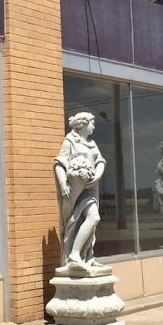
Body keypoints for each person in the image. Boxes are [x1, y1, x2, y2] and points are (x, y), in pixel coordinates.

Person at [54, 112, 107, 272]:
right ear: (83, 124)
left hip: (91, 187)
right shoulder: (70, 141)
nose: (94, 126)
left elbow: (100, 161)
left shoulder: (92, 144)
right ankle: (74, 255)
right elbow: (59, 164)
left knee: (94, 218)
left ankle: (86, 256)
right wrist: (63, 184)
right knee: (77, 220)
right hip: (74, 189)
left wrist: (97, 177)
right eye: (92, 123)